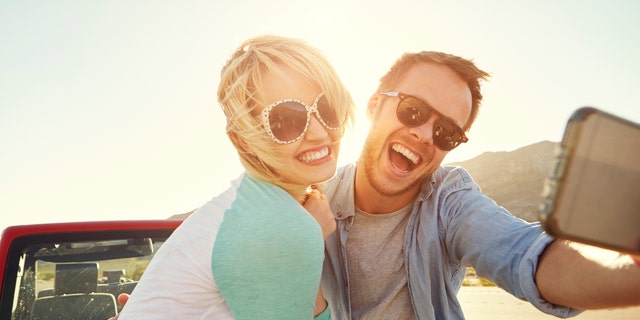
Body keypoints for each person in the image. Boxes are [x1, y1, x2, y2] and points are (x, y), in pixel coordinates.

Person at [319, 50, 640, 319]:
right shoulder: (317, 197)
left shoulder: (450, 199)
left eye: (447, 132)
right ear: (375, 106)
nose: (426, 135)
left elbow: (527, 254)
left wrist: (628, 265)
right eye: (413, 110)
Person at [117, 35, 355, 319]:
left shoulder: (245, 208)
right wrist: (306, 239)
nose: (319, 132)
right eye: (285, 120)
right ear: (243, 140)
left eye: (327, 107)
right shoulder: (277, 226)